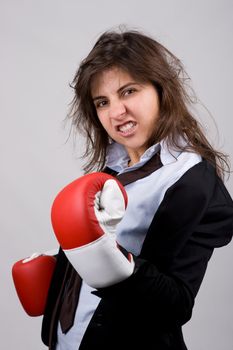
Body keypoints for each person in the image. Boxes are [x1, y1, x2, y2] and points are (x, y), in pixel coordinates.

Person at [13, 27, 233, 350]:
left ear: (161, 89)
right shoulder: (113, 167)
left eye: (129, 92)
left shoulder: (191, 181)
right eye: (103, 102)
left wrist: (114, 264)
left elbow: (176, 304)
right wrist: (62, 265)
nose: (116, 112)